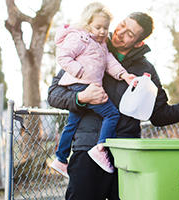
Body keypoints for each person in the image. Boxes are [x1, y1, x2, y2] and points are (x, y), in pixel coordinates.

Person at [48, 11, 179, 200]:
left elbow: (159, 115)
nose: (120, 33)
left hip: (125, 156)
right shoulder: (88, 47)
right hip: (87, 152)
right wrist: (81, 97)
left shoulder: (146, 71)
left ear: (138, 42)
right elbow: (54, 94)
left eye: (130, 34)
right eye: (122, 25)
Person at [50, 2, 136, 177]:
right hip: (81, 85)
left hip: (86, 85)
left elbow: (110, 63)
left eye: (105, 27)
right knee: (111, 114)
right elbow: (62, 55)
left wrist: (125, 75)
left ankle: (60, 159)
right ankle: (101, 148)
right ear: (88, 24)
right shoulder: (80, 38)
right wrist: (78, 71)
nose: (102, 31)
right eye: (98, 27)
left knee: (72, 124)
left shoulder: (101, 44)